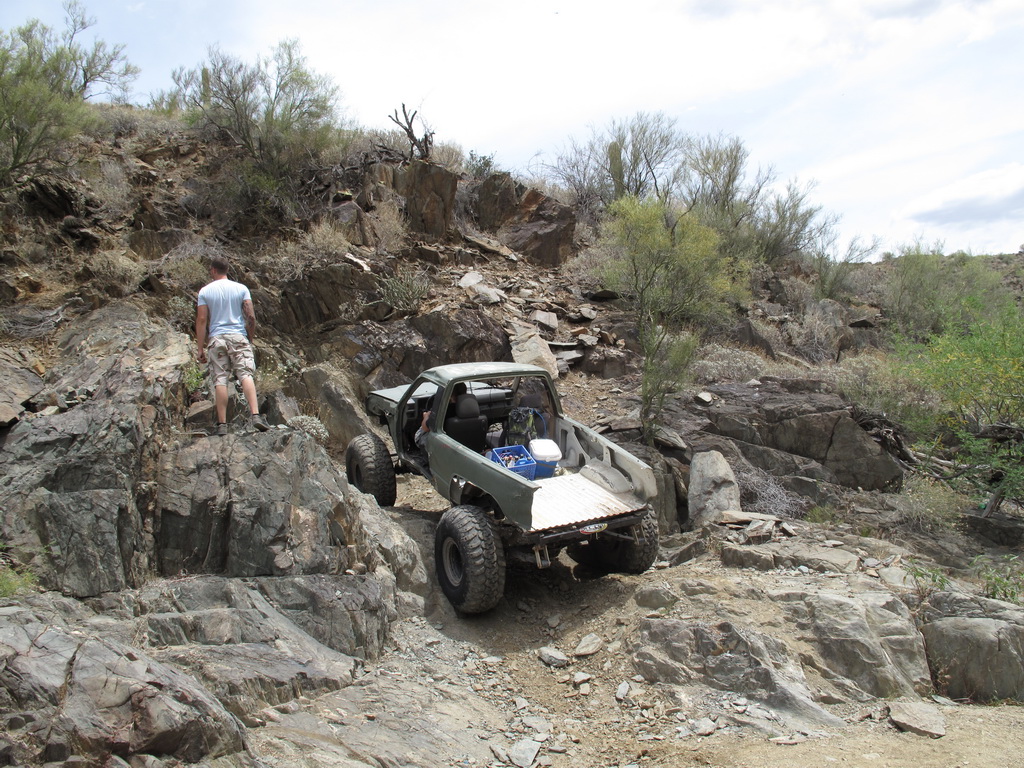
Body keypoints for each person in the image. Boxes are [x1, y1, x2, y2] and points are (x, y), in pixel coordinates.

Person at [195, 256, 270, 435]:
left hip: (217, 338)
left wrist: (200, 348)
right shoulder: (241, 288)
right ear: (227, 270)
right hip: (238, 336)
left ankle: (222, 425)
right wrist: (249, 338)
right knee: (245, 374)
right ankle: (255, 415)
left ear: (213, 270)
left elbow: (202, 319)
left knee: (220, 379)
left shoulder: (205, 291)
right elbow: (250, 316)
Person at [414, 382, 467, 449]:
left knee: (420, 433)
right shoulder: (472, 409)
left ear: (448, 394)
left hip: (444, 446)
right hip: (464, 443)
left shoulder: (442, 410)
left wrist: (426, 416)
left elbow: (426, 428)